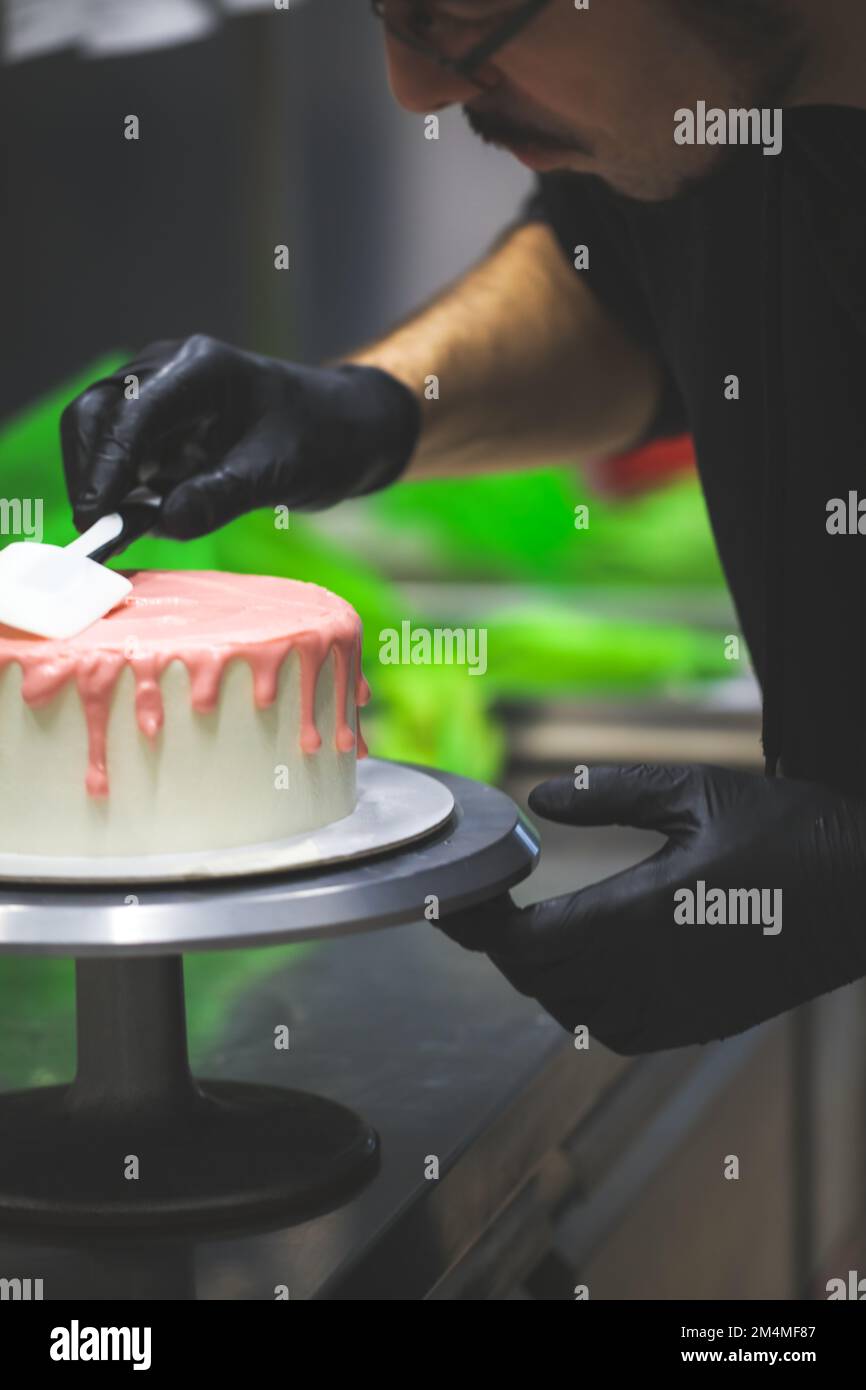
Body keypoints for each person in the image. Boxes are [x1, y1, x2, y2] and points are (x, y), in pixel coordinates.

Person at [61, 0, 866, 1053]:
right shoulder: (715, 109)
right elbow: (618, 279)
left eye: (457, 15)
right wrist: (371, 409)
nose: (416, 89)